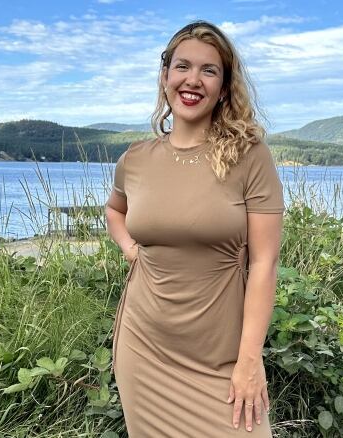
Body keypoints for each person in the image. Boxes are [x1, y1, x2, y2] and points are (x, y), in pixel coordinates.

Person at [105, 20, 284, 437]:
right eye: (182, 66)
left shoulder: (250, 156)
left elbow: (264, 263)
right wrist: (133, 250)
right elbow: (115, 211)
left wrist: (249, 360)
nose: (193, 80)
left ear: (224, 87)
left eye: (209, 70)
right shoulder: (136, 159)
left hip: (220, 357)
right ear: (166, 75)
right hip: (143, 347)